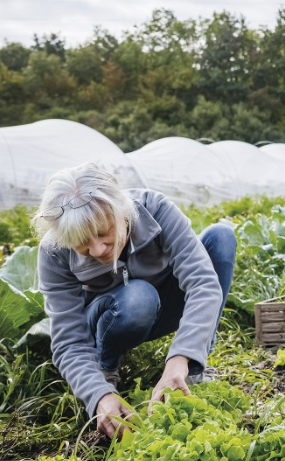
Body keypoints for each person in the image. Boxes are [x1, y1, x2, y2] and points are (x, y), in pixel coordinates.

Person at [32, 163, 236, 439]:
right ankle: (106, 371)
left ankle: (190, 369)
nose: (97, 249)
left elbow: (202, 283)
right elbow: (69, 341)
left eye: (103, 233)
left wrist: (180, 357)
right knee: (139, 296)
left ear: (122, 211)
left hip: (161, 307)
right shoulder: (54, 251)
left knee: (221, 238)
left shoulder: (154, 210)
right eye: (81, 242)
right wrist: (98, 396)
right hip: (110, 319)